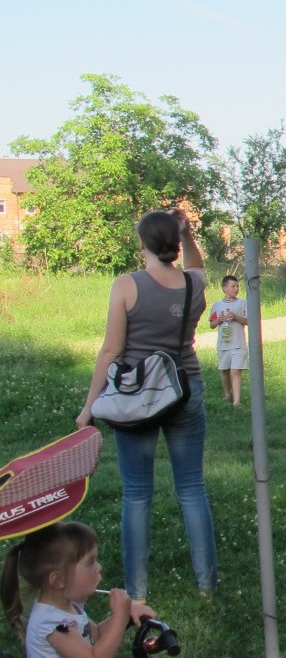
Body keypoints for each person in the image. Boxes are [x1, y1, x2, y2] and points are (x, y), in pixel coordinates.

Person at [76, 209, 217, 601]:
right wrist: (187, 234)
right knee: (192, 488)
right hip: (184, 389)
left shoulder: (126, 285)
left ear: (143, 242)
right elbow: (198, 266)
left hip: (136, 398)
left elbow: (111, 351)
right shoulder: (193, 284)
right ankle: (207, 586)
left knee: (137, 493)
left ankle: (136, 595)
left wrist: (89, 407)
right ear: (174, 243)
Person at [0, 522, 192, 658]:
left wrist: (126, 616)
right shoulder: (51, 623)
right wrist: (119, 616)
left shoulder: (66, 606)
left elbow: (97, 634)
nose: (99, 568)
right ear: (57, 580)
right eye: (90, 563)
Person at [209, 275, 248, 405]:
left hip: (238, 344)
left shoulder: (242, 303)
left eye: (237, 286)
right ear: (224, 288)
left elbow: (248, 321)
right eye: (233, 286)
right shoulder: (217, 305)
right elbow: (212, 324)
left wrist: (235, 317)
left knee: (235, 371)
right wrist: (219, 320)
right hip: (223, 344)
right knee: (225, 371)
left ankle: (237, 402)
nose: (236, 289)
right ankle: (227, 395)